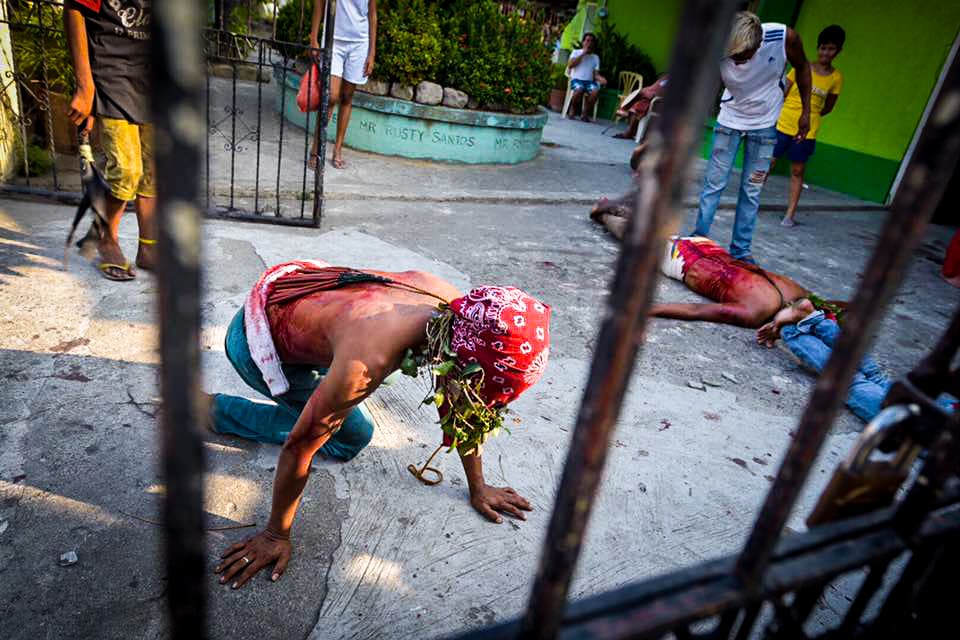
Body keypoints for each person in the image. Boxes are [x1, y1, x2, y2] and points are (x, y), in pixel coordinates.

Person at [209, 261, 551, 588]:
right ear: (463, 360)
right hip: (255, 343)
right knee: (352, 438)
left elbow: (458, 401)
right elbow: (300, 448)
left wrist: (479, 487)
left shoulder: (454, 307)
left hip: (295, 299)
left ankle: (318, 381)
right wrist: (275, 535)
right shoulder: (369, 358)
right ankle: (211, 410)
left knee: (348, 392)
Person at [690, 11, 812, 263]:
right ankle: (698, 240)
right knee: (714, 184)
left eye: (744, 55)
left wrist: (806, 112)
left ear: (758, 43)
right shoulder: (718, 45)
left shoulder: (783, 38)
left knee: (752, 189)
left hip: (765, 123)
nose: (738, 62)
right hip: (730, 119)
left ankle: (741, 251)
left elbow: (803, 68)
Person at [64, 0, 154, 281]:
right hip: (113, 73)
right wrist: (84, 85)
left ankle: (148, 248)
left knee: (154, 170)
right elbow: (73, 9)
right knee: (127, 170)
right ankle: (106, 238)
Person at [756, 299, 956, 423]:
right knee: (851, 382)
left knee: (877, 378)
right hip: (939, 426)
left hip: (949, 410)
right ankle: (791, 329)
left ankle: (814, 319)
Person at [649, 236, 821, 328]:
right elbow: (696, 310)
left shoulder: (798, 291)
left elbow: (828, 306)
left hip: (705, 246)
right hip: (683, 261)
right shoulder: (756, 312)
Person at [772, 25, 845, 227]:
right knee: (767, 163)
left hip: (807, 129)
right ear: (817, 48)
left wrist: (810, 116)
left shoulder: (836, 78)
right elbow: (782, 93)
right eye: (823, 48)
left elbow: (828, 107)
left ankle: (790, 214)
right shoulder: (800, 67)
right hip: (783, 121)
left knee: (797, 171)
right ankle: (750, 204)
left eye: (830, 49)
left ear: (838, 51)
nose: (825, 52)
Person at [309, 0, 377, 170]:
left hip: (360, 43)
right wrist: (313, 36)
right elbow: (320, 3)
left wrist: (372, 52)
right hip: (334, 41)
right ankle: (316, 149)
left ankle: (338, 149)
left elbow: (372, 14)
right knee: (331, 96)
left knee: (347, 97)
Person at [613, 74, 669, 140]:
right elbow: (656, 86)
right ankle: (630, 127)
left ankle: (626, 113)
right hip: (653, 95)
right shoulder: (668, 76)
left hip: (661, 101)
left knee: (643, 98)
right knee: (642, 96)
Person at [566, 32, 607, 122]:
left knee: (595, 91)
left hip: (589, 82)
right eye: (587, 41)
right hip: (576, 80)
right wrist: (583, 54)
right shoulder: (576, 52)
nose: (589, 43)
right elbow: (570, 65)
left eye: (592, 41)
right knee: (579, 89)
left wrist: (601, 79)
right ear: (583, 42)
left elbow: (595, 75)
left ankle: (585, 112)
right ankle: (573, 108)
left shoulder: (595, 57)